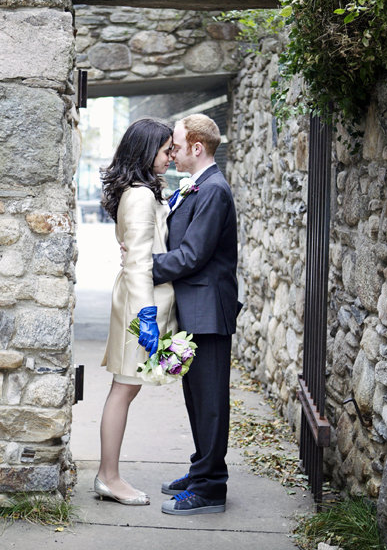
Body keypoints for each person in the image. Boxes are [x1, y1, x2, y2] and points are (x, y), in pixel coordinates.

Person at [153, 113, 239, 515]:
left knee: (210, 402)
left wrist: (145, 265)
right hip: (194, 310)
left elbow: (192, 255)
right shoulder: (200, 187)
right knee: (196, 398)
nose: (172, 152)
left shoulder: (214, 191)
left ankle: (210, 489)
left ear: (197, 148)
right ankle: (201, 469)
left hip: (208, 312)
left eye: (177, 145)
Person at [95, 118, 177, 506]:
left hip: (132, 297)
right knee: (123, 389)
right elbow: (140, 262)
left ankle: (108, 475)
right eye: (165, 150)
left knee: (124, 389)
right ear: (147, 152)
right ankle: (108, 477)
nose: (170, 156)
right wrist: (147, 318)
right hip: (138, 302)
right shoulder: (141, 195)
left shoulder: (139, 191)